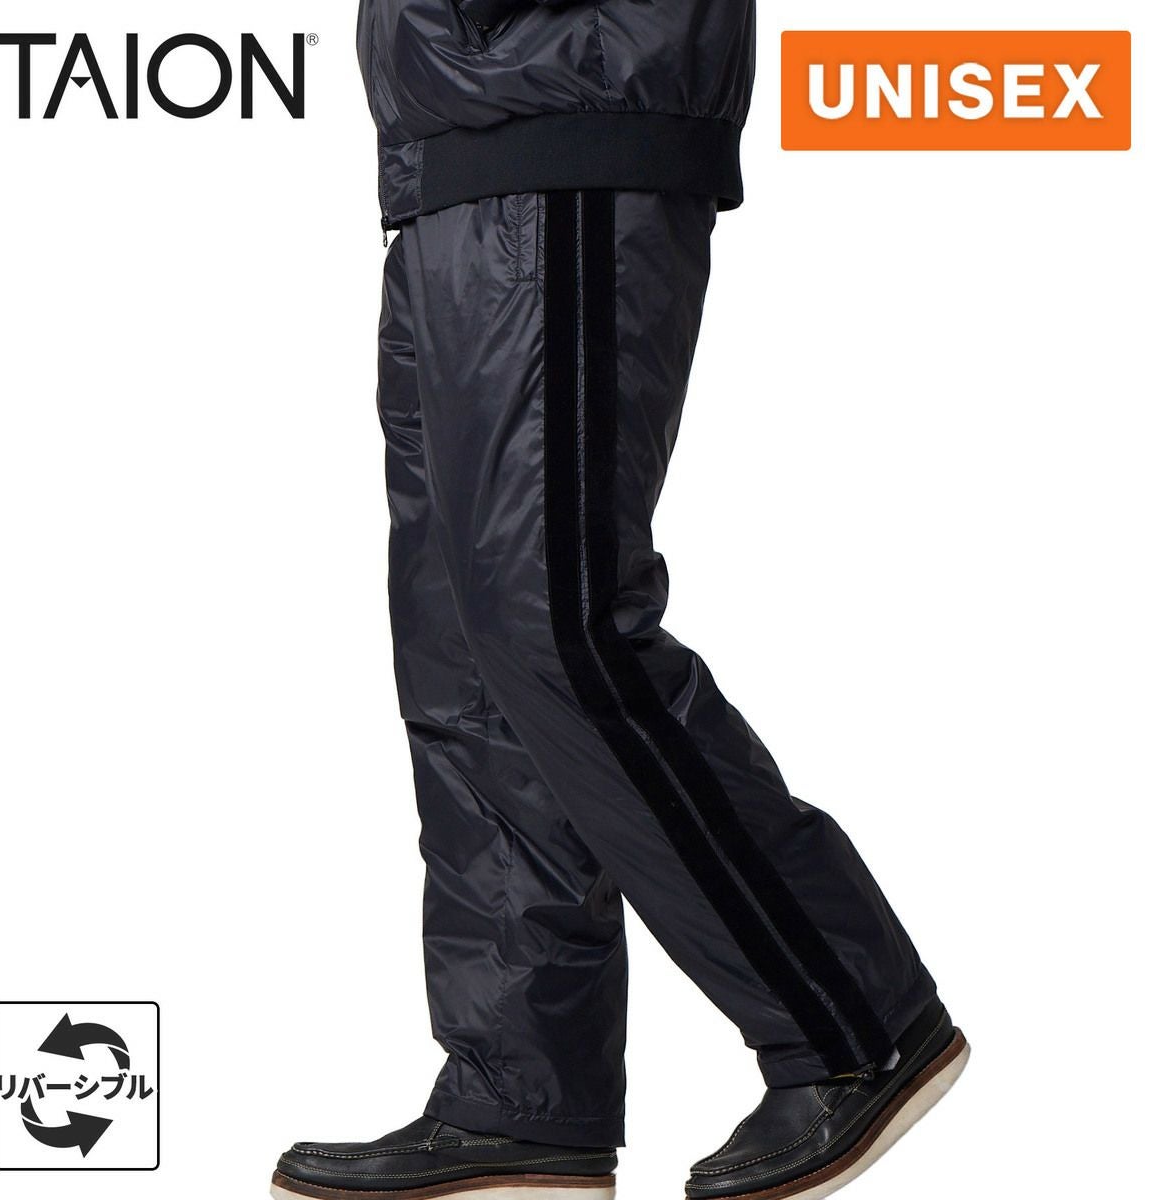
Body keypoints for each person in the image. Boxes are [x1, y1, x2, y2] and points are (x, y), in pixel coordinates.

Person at [272, 3, 968, 1198]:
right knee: (465, 659)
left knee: (556, 620)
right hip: (448, 143)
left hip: (570, 99)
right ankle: (521, 1094)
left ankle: (856, 1023)